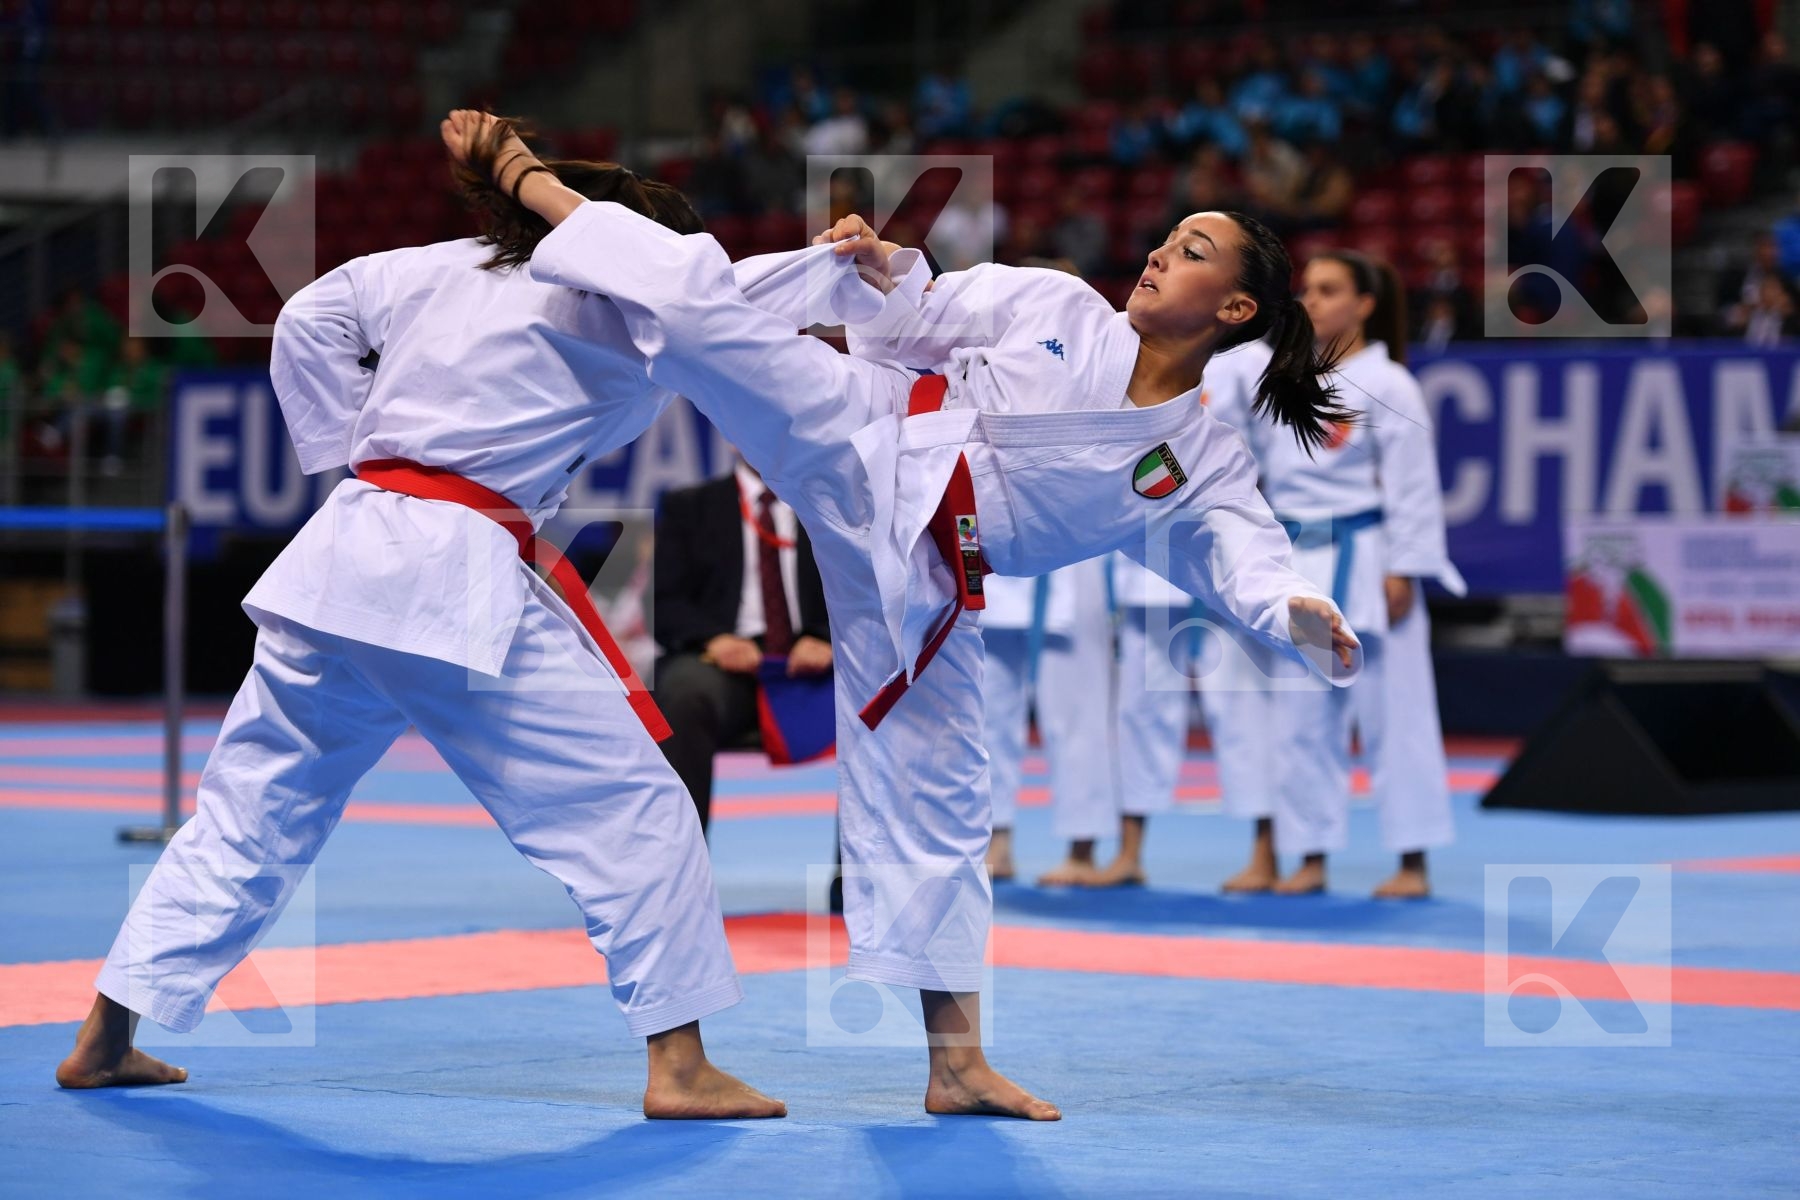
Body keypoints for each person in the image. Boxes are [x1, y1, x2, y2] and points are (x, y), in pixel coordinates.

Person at [456, 110, 1363, 1120]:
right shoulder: (1057, 301)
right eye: (1166, 236)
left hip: (936, 577)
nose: (1158, 254)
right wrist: (885, 263)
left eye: (1191, 252)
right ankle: (535, 191)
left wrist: (1294, 610)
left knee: (944, 801)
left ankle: (957, 1065)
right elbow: (925, 303)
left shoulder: (1200, 458)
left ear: (1235, 308)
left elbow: (1245, 551)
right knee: (711, 319)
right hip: (872, 435)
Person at [54, 134, 792, 1120]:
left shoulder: (430, 266)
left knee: (251, 807)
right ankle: (680, 1066)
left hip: (348, 550)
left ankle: (105, 1035)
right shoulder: (624, 302)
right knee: (630, 809)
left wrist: (354, 446)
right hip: (450, 570)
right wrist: (844, 260)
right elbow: (733, 293)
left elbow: (307, 318)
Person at [1220, 252, 1465, 899]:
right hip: (1299, 563)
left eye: (1329, 290)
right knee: (1302, 719)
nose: (1312, 301)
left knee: (1396, 713)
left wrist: (1407, 569)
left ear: (1365, 303)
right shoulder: (1285, 379)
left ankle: (1412, 861)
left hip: (1370, 556)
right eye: (1308, 290)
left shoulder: (1391, 384)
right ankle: (1310, 856)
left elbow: (1414, 487)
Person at [653, 454, 833, 833]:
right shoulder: (690, 506)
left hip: (816, 663)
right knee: (685, 693)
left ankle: (856, 887)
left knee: (884, 696)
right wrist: (713, 639)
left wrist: (827, 638)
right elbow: (661, 601)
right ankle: (680, 874)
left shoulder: (832, 502)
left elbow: (868, 589)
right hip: (722, 663)